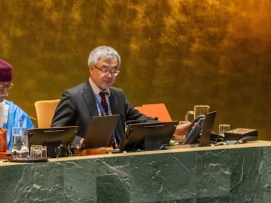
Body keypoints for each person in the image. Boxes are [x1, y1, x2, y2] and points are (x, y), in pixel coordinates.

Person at [51, 46, 190, 146]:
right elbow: (55, 132)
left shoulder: (118, 95)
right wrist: (80, 141)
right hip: (88, 159)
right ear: (91, 68)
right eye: (105, 69)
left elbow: (140, 119)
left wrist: (171, 129)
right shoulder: (73, 97)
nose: (110, 75)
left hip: (119, 157)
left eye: (114, 70)